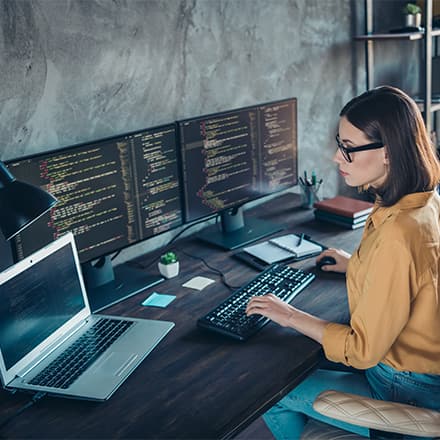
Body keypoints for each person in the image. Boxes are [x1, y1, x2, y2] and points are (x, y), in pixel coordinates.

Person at [246, 85, 440, 438]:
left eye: (348, 150)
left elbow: (362, 350)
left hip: (406, 389)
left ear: (389, 153)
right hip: (425, 370)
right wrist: (356, 264)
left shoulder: (398, 235)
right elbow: (419, 276)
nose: (337, 158)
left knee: (269, 394)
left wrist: (289, 315)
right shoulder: (422, 201)